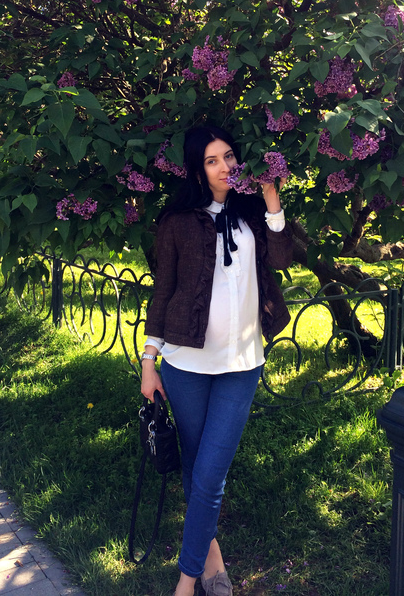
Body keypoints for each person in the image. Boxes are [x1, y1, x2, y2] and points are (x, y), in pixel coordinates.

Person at [141, 125, 293, 596]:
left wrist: (271, 198)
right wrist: (149, 362)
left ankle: (185, 583)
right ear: (197, 170)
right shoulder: (177, 221)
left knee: (210, 474)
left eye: (229, 156)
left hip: (242, 364)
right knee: (195, 466)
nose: (225, 166)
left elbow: (283, 259)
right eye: (212, 160)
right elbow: (163, 292)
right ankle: (213, 563)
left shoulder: (252, 212)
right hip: (185, 364)